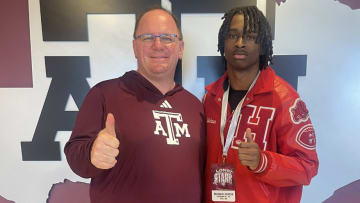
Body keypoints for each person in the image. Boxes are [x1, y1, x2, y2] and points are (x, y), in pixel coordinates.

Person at [64, 7, 205, 203]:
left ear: (180, 48)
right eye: (147, 38)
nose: (158, 45)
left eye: (167, 38)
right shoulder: (103, 94)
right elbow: (75, 156)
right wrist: (92, 154)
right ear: (135, 47)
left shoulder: (195, 106)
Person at [203, 6, 319, 203]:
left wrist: (262, 162)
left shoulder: (284, 98)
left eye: (249, 36)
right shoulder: (210, 98)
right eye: (233, 35)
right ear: (223, 43)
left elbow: (307, 167)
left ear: (263, 46)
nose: (240, 43)